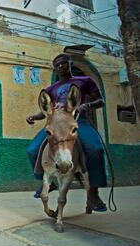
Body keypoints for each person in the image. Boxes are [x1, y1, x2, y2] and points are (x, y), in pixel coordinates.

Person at [26, 53, 107, 212]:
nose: (61, 67)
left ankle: (93, 193)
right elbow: (46, 111)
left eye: (64, 63)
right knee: (32, 150)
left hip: (77, 121)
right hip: (56, 124)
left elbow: (101, 101)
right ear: (54, 68)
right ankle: (50, 184)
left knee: (95, 149)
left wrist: (86, 106)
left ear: (69, 63)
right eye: (58, 65)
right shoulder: (51, 89)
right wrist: (34, 117)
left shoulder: (84, 81)